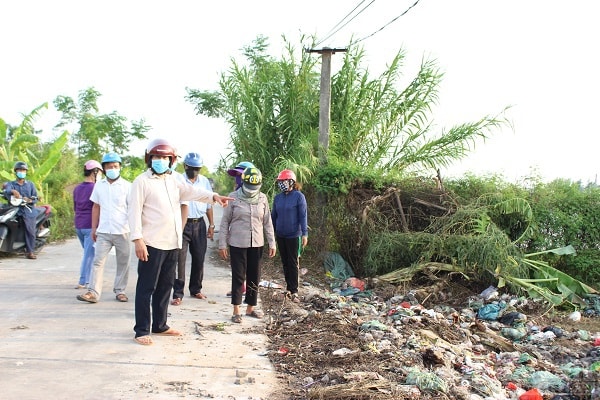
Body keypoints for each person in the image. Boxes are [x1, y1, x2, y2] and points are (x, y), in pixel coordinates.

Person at [128, 138, 233, 346]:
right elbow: (133, 212)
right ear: (149, 159)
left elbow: (193, 192)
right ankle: (141, 330)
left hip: (173, 242)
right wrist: (137, 239)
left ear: (171, 160)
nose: (160, 160)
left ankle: (160, 325)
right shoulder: (141, 181)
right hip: (151, 243)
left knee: (166, 286)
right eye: (156, 157)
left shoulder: (175, 179)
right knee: (146, 287)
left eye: (164, 157)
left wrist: (213, 196)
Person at [218, 166, 276, 323]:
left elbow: (267, 222)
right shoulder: (233, 197)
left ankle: (250, 307)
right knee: (238, 276)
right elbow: (225, 222)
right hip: (237, 243)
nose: (251, 190)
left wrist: (272, 242)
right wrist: (222, 244)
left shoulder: (262, 198)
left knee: (254, 276)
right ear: (243, 182)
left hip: (256, 243)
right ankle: (236, 309)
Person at [77, 152, 131, 304]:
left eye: (115, 166)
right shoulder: (99, 186)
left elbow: (133, 209)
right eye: (109, 166)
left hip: (122, 231)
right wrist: (94, 228)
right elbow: (96, 207)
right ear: (104, 168)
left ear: (120, 167)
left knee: (123, 262)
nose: (112, 169)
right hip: (103, 231)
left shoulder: (127, 186)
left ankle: (120, 291)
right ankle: (93, 292)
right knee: (97, 261)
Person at [170, 152, 216, 306]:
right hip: (182, 224)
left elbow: (209, 205)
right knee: (180, 260)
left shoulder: (204, 182)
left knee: (199, 258)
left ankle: (196, 288)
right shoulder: (178, 180)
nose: (194, 171)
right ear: (185, 166)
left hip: (199, 224)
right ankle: (178, 293)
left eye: (197, 168)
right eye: (191, 168)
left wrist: (211, 224)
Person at [271, 169, 308, 303]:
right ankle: (288, 286)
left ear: (291, 182)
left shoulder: (299, 197)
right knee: (285, 262)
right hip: (281, 235)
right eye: (280, 182)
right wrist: (271, 234)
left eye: (284, 181)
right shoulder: (278, 198)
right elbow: (273, 217)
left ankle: (294, 290)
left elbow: (303, 216)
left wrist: (305, 234)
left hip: (294, 235)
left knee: (293, 263)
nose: (281, 184)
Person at [224, 161, 255, 297]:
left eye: (240, 175)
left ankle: (249, 291)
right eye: (236, 176)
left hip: (253, 239)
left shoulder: (257, 197)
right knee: (237, 267)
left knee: (251, 267)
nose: (237, 179)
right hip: (237, 238)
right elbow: (226, 220)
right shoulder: (234, 196)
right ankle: (239, 288)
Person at [73, 159, 102, 289]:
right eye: (100, 172)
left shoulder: (77, 188)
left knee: (88, 253)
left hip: (79, 224)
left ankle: (87, 278)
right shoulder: (96, 188)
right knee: (89, 255)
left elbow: (75, 207)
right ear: (94, 172)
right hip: (90, 225)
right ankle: (83, 280)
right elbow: (99, 207)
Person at [3, 161, 39, 259]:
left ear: (26, 172)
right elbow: (6, 190)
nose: (21, 172)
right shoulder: (11, 184)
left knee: (29, 230)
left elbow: (36, 197)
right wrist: (13, 191)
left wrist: (30, 199)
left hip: (27, 209)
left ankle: (30, 251)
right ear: (16, 171)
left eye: (23, 170)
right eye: (20, 170)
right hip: (14, 209)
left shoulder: (30, 185)